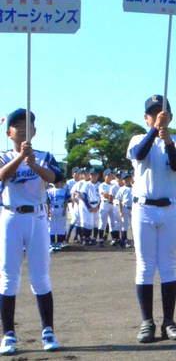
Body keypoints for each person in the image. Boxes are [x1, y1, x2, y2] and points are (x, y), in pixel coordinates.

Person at [127, 95, 176, 343]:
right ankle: (147, 322)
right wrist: (155, 132)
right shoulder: (138, 139)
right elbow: (140, 155)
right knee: (144, 266)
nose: (158, 116)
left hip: (170, 208)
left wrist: (168, 141)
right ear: (146, 118)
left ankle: (169, 322)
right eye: (153, 113)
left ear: (171, 117)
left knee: (167, 265)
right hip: (144, 208)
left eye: (162, 113)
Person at [0, 109, 63, 354]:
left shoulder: (45, 156)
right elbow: (2, 176)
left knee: (40, 277)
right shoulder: (4, 156)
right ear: (9, 133)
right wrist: (20, 158)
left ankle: (48, 331)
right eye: (17, 125)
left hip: (37, 217)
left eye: (28, 125)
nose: (23, 129)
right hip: (10, 216)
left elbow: (56, 178)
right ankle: (8, 334)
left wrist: (34, 164)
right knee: (8, 278)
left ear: (35, 131)